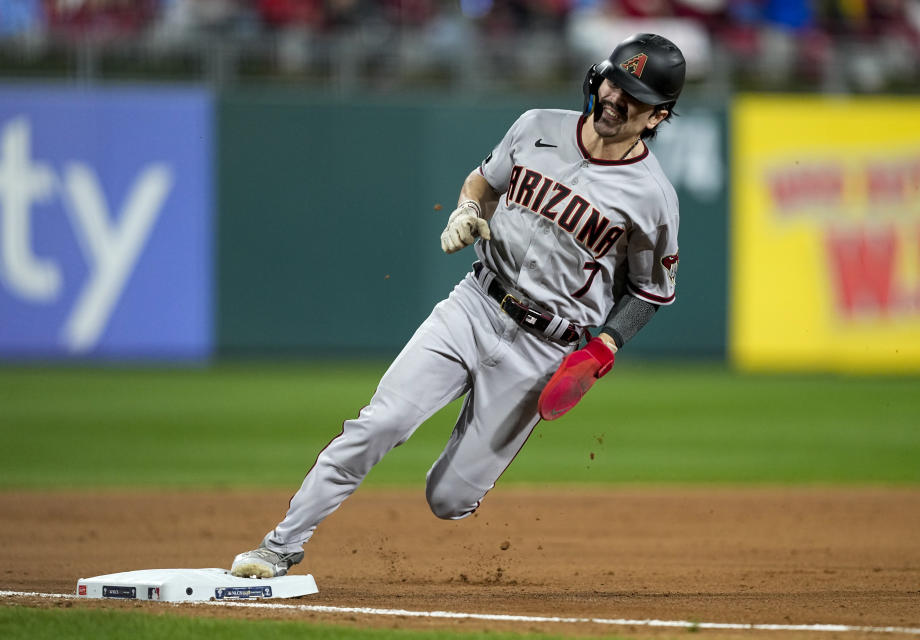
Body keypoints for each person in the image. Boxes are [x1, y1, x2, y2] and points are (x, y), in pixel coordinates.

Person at [230, 32, 686, 579]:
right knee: (382, 421)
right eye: (615, 80)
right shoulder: (537, 126)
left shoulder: (653, 197)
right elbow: (484, 179)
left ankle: (464, 479)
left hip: (544, 350)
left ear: (658, 117)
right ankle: (279, 545)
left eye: (634, 95)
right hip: (474, 305)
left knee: (448, 499)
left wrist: (605, 345)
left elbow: (650, 290)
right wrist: (468, 208)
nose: (615, 98)